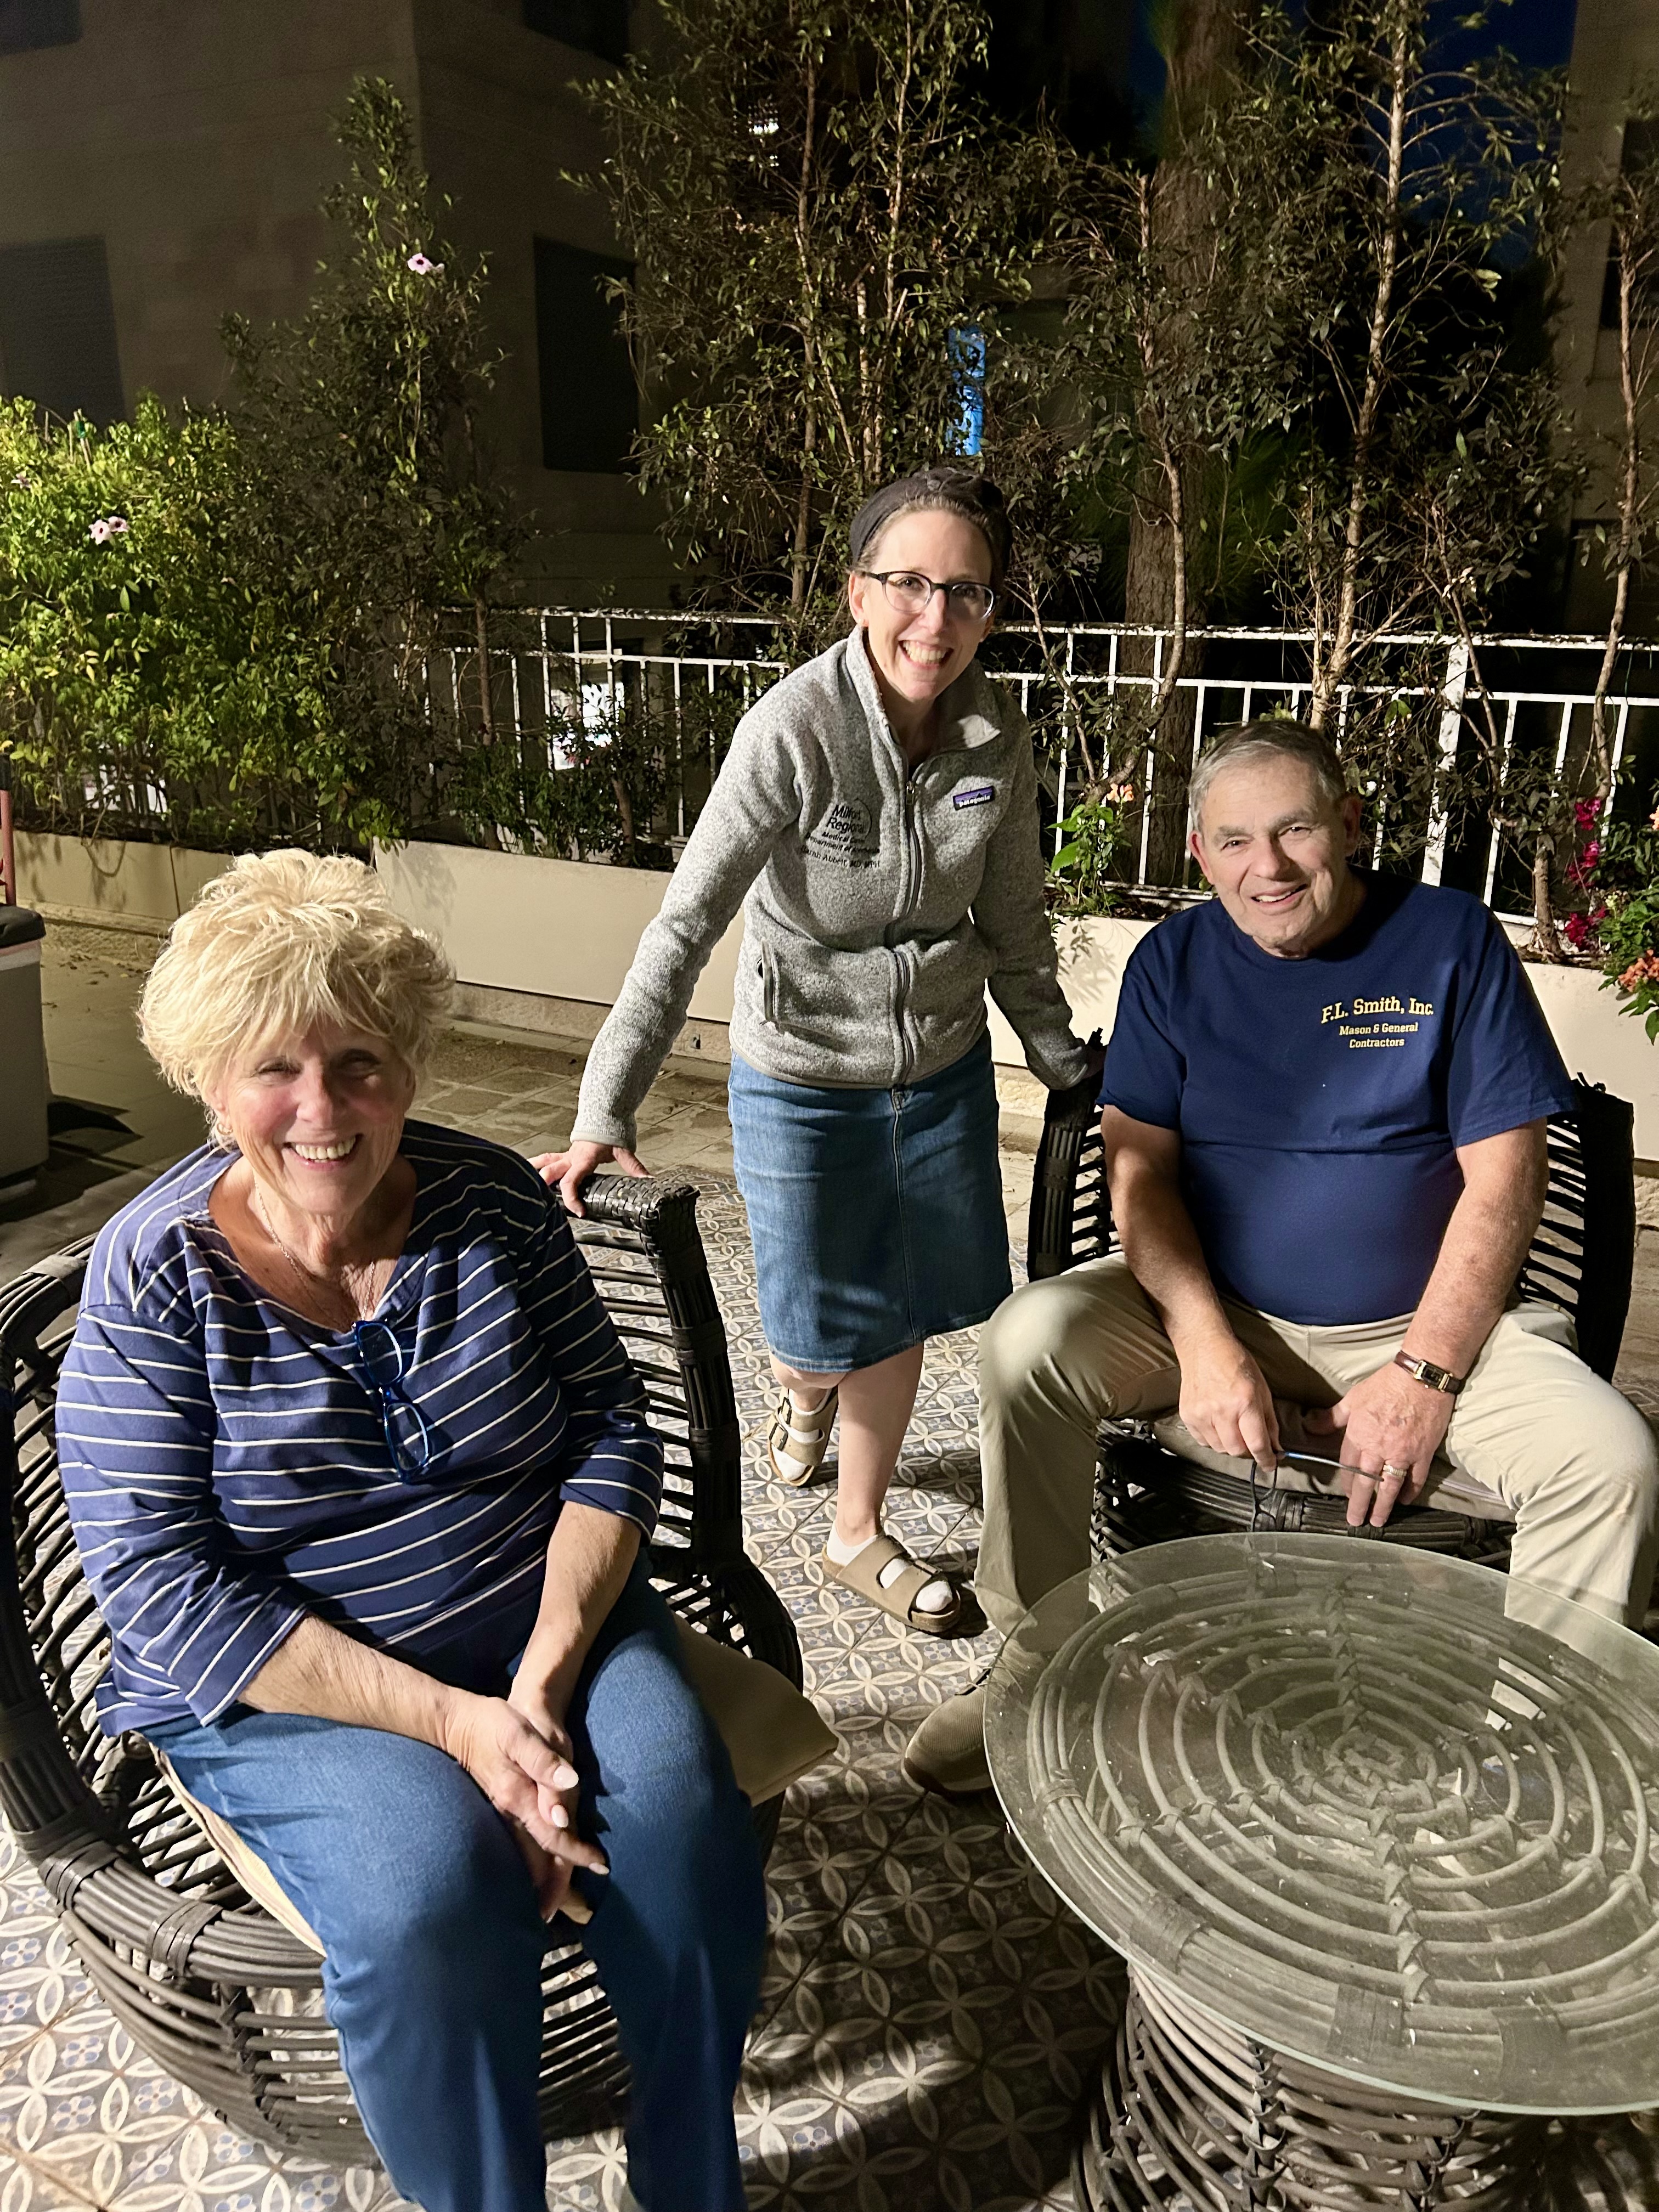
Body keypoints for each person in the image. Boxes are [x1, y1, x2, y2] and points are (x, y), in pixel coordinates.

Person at [55, 851, 765, 2212]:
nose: (322, 1109)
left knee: (678, 1822)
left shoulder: (491, 1201)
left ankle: (692, 2182)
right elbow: (156, 1584)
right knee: (424, 1890)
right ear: (210, 1083)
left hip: (543, 1622)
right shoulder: (155, 1275)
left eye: (361, 1062)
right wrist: (458, 1728)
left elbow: (612, 1428)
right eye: (274, 1068)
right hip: (292, 1681)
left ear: (414, 1067)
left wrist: (547, 1674)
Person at [905, 718, 1659, 1796]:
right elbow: (1140, 1175)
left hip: (1427, 1329)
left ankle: (1525, 1771)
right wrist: (1204, 1340)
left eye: (1296, 830)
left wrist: (1427, 1372)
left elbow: (1507, 1180)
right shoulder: (1173, 962)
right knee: (1029, 1342)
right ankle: (1033, 1666)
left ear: (1347, 827)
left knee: (1610, 1462)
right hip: (1221, 1308)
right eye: (1236, 841)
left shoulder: (1451, 942)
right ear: (1201, 855)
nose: (1269, 867)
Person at [543, 466, 1090, 1636]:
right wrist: (608, 1107)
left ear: (992, 609)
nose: (934, 620)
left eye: (967, 592)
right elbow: (685, 923)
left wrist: (1055, 1054)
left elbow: (1012, 919)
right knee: (810, 1327)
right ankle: (804, 1393)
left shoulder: (997, 736)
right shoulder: (791, 730)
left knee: (895, 1312)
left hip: (936, 1070)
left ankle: (856, 1531)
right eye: (908, 584)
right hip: (801, 1074)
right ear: (857, 592)